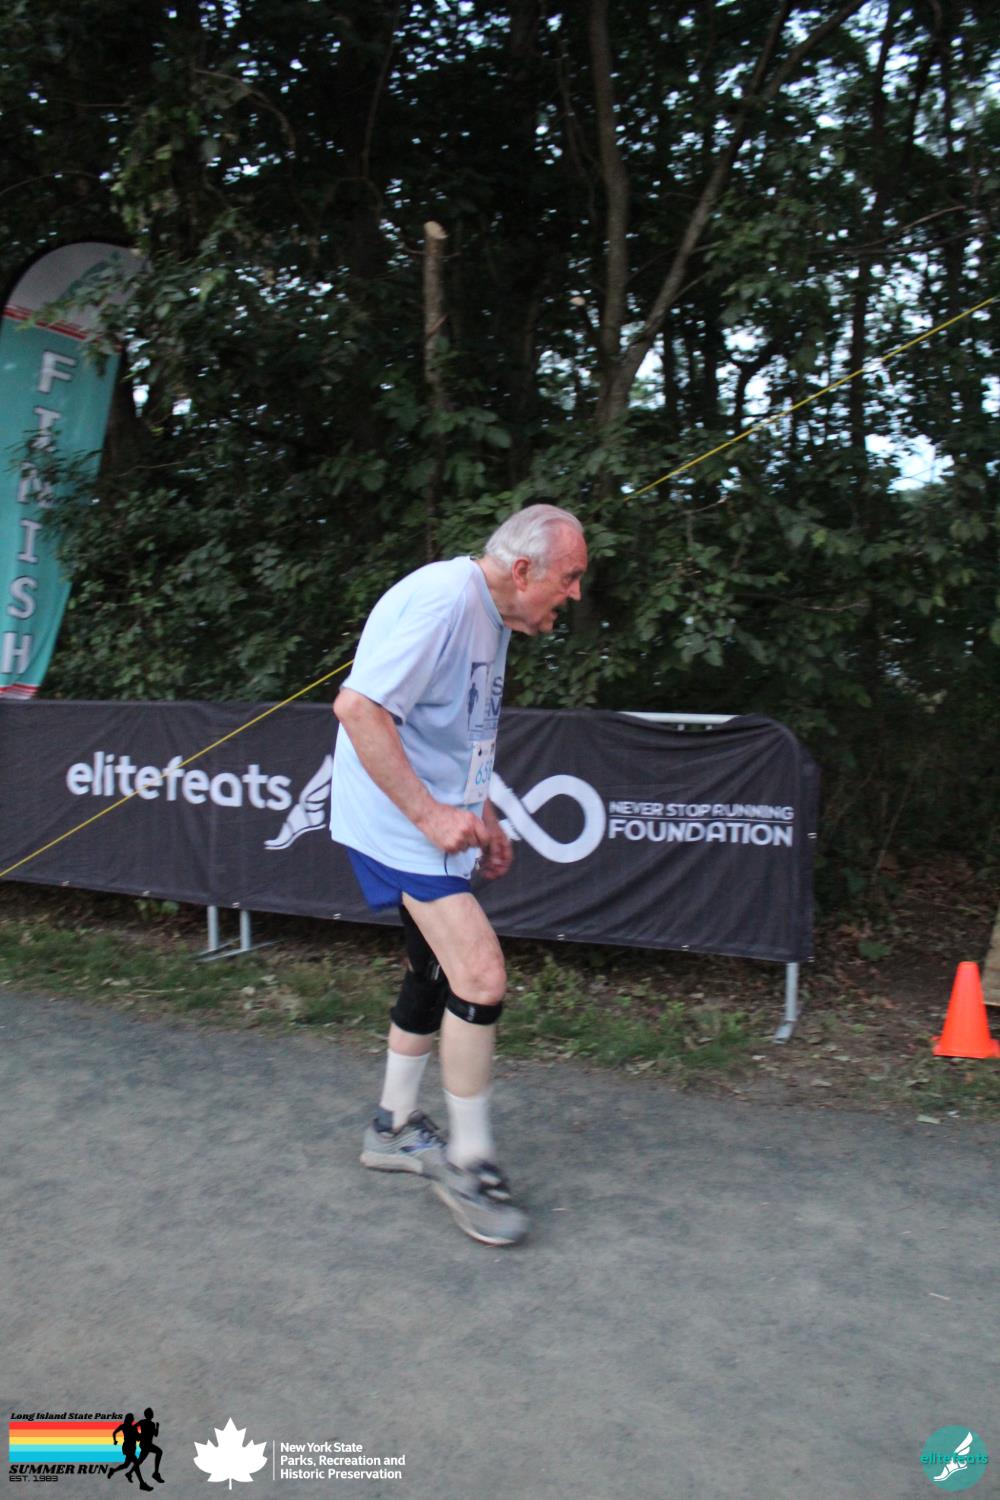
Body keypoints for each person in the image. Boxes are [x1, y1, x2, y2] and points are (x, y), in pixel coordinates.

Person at [330, 503, 587, 1246]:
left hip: (430, 819)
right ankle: (471, 1164)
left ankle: (393, 1126)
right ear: (524, 570)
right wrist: (431, 817)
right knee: (480, 974)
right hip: (395, 822)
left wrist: (482, 813)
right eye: (570, 577)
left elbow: (460, 727)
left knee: (435, 967)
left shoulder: (492, 614)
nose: (575, 593)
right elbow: (357, 709)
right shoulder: (443, 601)